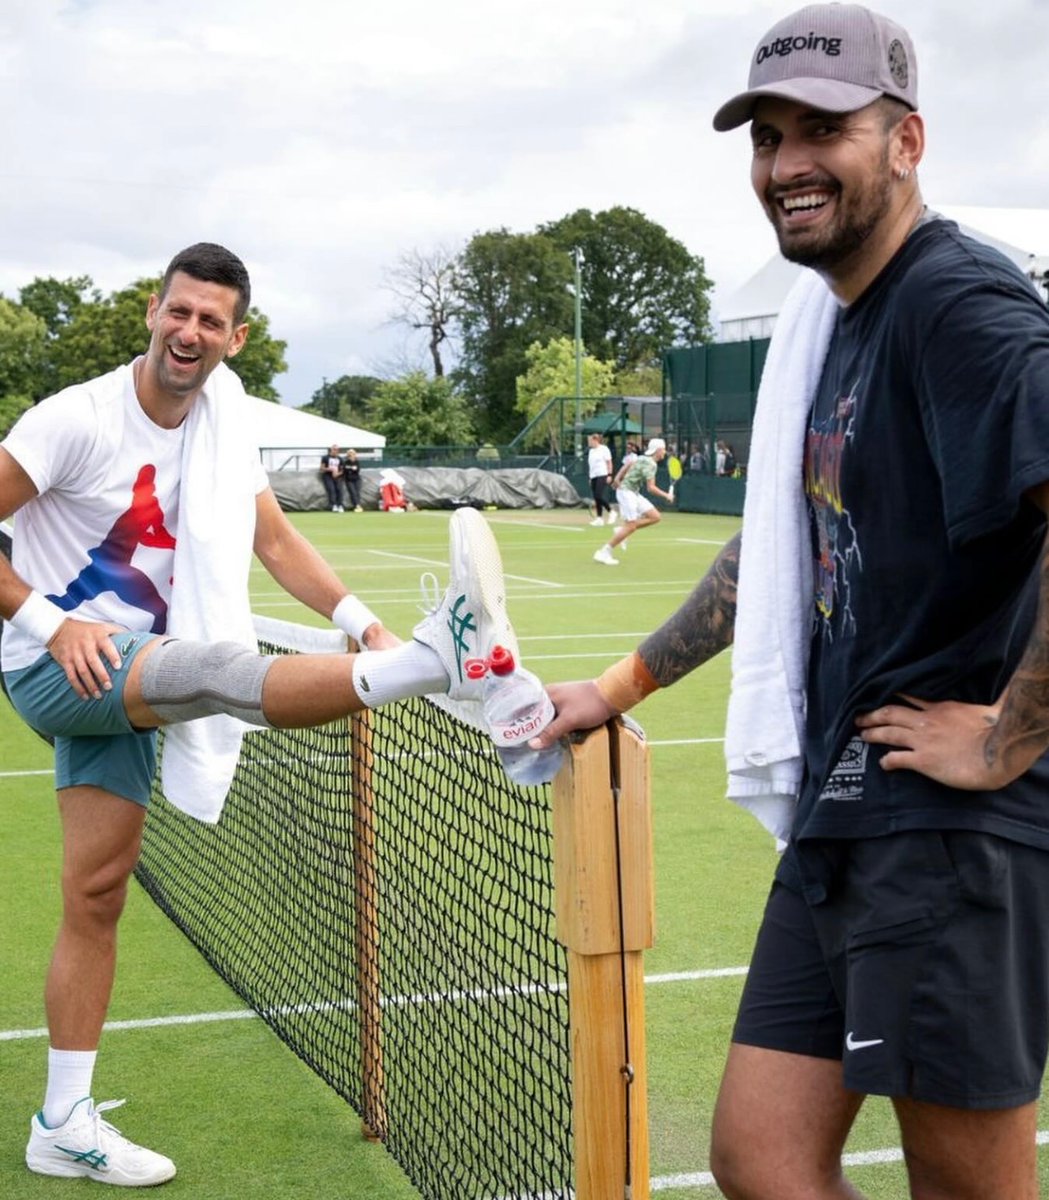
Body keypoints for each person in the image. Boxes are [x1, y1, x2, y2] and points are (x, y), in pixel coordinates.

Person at [533, 6, 1049, 1197]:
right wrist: (612, 688)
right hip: (848, 806)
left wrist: (1005, 738)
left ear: (905, 139)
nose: (786, 164)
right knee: (759, 1156)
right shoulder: (837, 322)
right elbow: (780, 554)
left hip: (947, 833)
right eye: (766, 136)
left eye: (824, 128)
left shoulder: (957, 305)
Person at [0, 242, 521, 1188]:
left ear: (233, 339)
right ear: (150, 316)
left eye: (211, 321)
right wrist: (48, 619)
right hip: (51, 663)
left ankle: (61, 1121)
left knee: (96, 894)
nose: (189, 332)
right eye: (178, 312)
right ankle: (433, 661)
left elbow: (272, 539)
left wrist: (358, 622)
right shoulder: (75, 420)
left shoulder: (219, 424)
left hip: (121, 682)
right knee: (210, 671)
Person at [593, 437, 674, 566]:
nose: (664, 452)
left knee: (655, 516)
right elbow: (651, 488)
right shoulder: (651, 464)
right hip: (626, 493)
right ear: (658, 450)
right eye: (663, 449)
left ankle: (621, 530)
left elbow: (629, 463)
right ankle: (604, 552)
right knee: (631, 526)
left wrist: (617, 478)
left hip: (632, 493)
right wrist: (667, 496)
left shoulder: (641, 458)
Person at [586, 432, 615, 526]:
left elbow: (609, 462)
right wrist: (590, 477)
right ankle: (599, 519)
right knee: (596, 497)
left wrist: (610, 475)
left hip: (602, 474)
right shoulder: (591, 451)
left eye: (590, 440)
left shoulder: (604, 449)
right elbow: (591, 465)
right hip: (593, 476)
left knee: (598, 495)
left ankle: (611, 512)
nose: (589, 442)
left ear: (595, 440)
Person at [319, 444, 344, 511]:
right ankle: (333, 505)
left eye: (337, 450)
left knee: (339, 489)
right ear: (331, 450)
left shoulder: (340, 459)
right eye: (334, 450)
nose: (335, 451)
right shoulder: (325, 458)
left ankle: (340, 505)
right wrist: (330, 469)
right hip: (327, 475)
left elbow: (342, 470)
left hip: (337, 476)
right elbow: (321, 468)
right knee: (331, 489)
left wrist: (337, 474)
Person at [341, 447, 363, 512]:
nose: (351, 455)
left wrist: (350, 469)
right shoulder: (346, 462)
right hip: (349, 480)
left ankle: (358, 505)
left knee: (357, 492)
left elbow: (357, 470)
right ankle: (356, 505)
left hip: (357, 479)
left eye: (352, 453)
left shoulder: (357, 462)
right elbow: (345, 470)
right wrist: (351, 469)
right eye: (350, 453)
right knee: (352, 492)